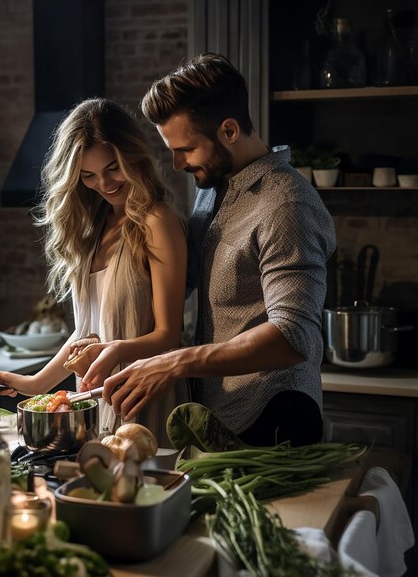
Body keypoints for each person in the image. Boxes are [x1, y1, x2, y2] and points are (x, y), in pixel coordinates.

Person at [96, 53, 337, 447]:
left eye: (185, 149)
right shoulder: (214, 190)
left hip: (275, 417)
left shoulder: (287, 205)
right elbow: (179, 283)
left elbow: (295, 337)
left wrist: (175, 362)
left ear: (228, 130)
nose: (176, 165)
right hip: (217, 415)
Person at [0, 98, 189, 446]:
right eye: (89, 176)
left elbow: (168, 336)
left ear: (134, 157)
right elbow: (86, 333)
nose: (104, 183)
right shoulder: (95, 228)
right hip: (102, 396)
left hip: (145, 396)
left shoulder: (156, 221)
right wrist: (34, 383)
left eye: (113, 168)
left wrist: (115, 351)